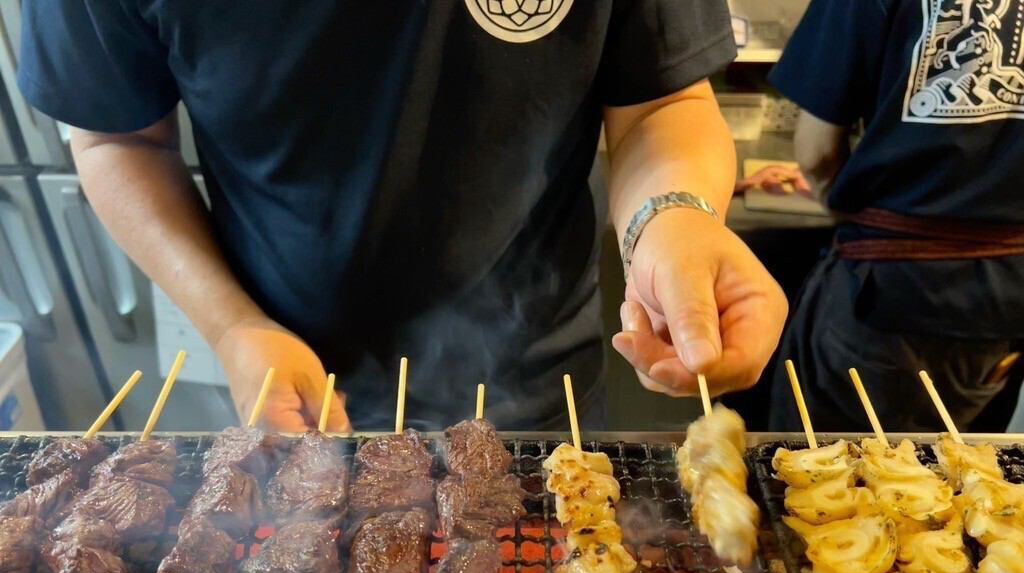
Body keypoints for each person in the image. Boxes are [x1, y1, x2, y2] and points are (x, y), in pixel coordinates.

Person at [19, 1, 786, 432]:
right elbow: (116, 136)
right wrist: (232, 329)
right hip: (289, 378)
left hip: (539, 379)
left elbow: (660, 102)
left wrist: (674, 214)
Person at [767, 0, 1024, 433]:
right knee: (963, 485)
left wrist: (844, 207)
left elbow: (815, 152)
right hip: (1008, 301)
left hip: (890, 298)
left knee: (815, 478)